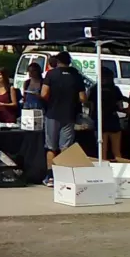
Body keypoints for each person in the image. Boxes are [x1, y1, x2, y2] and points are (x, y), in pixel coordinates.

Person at [41, 51, 86, 187]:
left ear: (57, 61)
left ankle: (50, 177)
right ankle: (64, 176)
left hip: (53, 114)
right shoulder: (76, 76)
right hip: (69, 114)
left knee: (51, 146)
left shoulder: (51, 74)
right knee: (65, 147)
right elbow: (83, 98)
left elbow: (44, 93)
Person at [87, 66, 125, 161]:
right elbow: (120, 106)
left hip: (100, 121)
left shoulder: (95, 89)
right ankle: (120, 172)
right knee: (117, 152)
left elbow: (90, 106)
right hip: (113, 120)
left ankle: (103, 173)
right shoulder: (115, 89)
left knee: (102, 152)